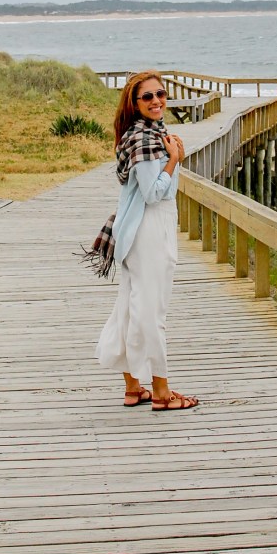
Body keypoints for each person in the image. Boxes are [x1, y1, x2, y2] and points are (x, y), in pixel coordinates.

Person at [91, 70, 199, 411]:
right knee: (151, 311)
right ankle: (162, 392)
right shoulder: (145, 140)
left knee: (130, 308)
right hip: (149, 230)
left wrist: (172, 157)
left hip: (137, 230)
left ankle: (134, 388)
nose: (156, 101)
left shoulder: (147, 135)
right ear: (134, 103)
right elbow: (154, 194)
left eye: (160, 94)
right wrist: (173, 160)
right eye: (148, 96)